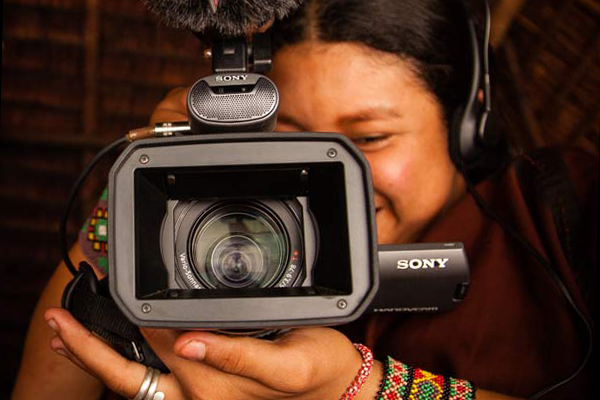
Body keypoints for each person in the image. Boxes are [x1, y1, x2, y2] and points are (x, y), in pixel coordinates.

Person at [11, 0, 596, 399]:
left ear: (466, 125)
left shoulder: (560, 212)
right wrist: (140, 198)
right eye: (285, 141)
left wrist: (357, 387)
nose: (336, 182)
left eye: (368, 139)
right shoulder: (195, 245)